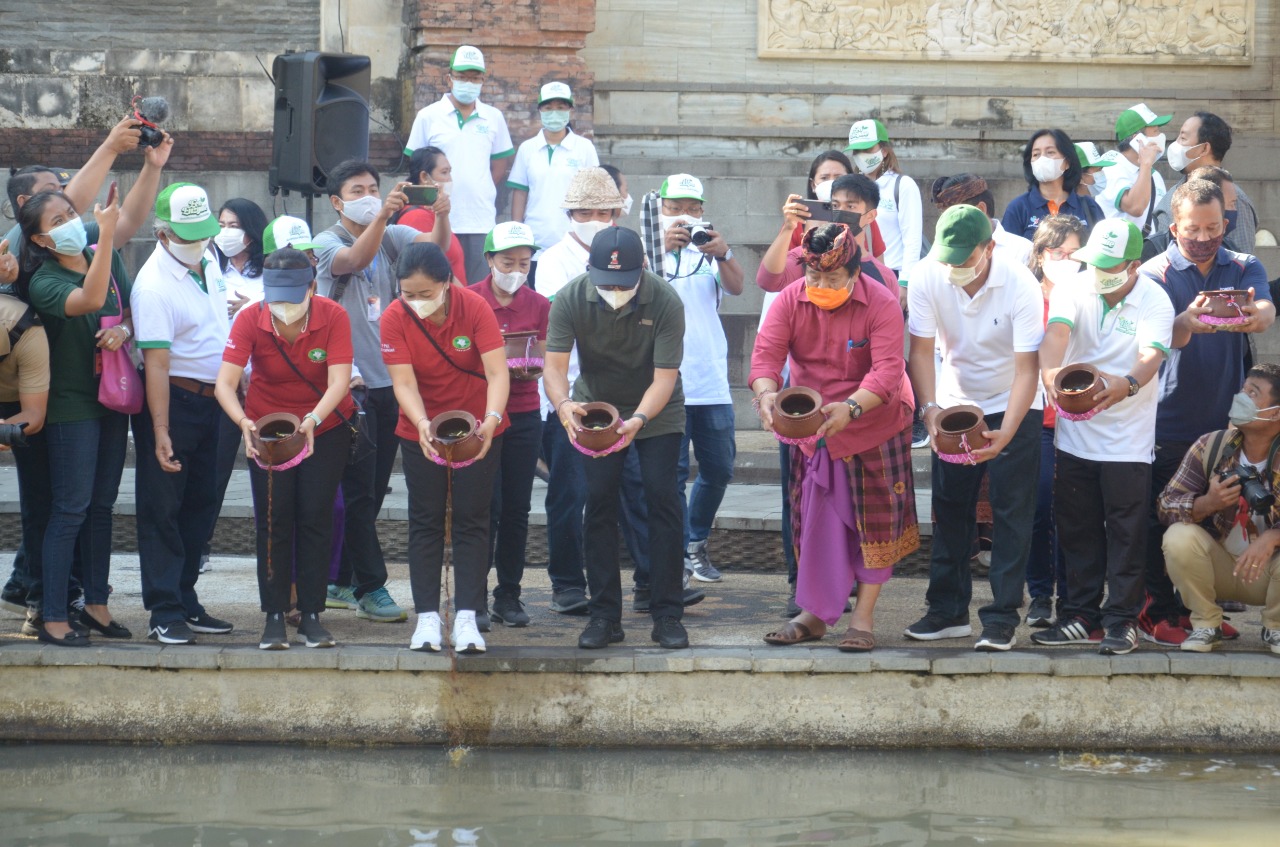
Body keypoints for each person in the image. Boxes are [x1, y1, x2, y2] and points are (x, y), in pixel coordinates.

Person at [750, 223, 917, 650]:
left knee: (874, 529)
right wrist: (766, 395)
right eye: (814, 277)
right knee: (815, 524)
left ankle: (862, 618)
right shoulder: (790, 299)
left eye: (832, 279)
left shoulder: (881, 302)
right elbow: (766, 356)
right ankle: (814, 615)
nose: (821, 286)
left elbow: (887, 371)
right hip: (812, 429)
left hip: (873, 425)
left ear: (855, 273)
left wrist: (852, 408)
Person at [1138, 178, 1274, 646]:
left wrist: (1253, 315)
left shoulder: (1243, 264)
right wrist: (1185, 322)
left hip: (1225, 426)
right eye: (1193, 229)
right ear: (1174, 227)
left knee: (1214, 519)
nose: (1203, 237)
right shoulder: (1154, 272)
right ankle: (1157, 612)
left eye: (1213, 227)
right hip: (1166, 419)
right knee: (1161, 519)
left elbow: (1265, 310)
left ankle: (1200, 611)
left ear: (1226, 223)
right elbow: (1157, 338)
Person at [544, 226, 690, 650]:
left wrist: (639, 419)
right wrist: (564, 405)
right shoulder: (571, 297)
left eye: (622, 283)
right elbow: (554, 368)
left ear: (642, 267)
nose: (613, 291)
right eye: (605, 283)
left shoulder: (665, 300)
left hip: (657, 410)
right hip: (596, 407)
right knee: (599, 502)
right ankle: (604, 615)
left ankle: (667, 612)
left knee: (663, 498)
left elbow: (665, 379)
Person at [905, 205, 1044, 651]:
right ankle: (946, 611)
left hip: (1013, 400)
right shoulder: (927, 274)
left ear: (989, 248)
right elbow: (921, 352)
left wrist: (1009, 432)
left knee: (1011, 511)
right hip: (954, 399)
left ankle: (1001, 617)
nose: (954, 267)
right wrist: (930, 410)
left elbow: (1027, 370)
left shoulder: (1020, 283)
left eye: (964, 258)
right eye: (948, 258)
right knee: (950, 507)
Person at [1033, 220, 1174, 655]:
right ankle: (1079, 616)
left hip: (1128, 440)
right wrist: (1051, 374)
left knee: (1127, 534)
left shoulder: (1155, 299)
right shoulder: (1074, 287)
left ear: (1133, 265)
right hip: (1075, 436)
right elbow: (1057, 333)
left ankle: (1122, 620)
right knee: (1078, 530)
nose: (1098, 272)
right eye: (1094, 263)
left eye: (1108, 265)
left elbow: (1151, 356)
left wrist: (1126, 385)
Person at [314, 159, 446, 625]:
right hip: (350, 386)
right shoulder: (326, 242)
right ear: (337, 201)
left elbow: (433, 253)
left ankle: (340, 580)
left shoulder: (393, 237)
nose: (369, 196)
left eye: (374, 188)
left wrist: (443, 215)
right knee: (357, 492)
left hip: (391, 381)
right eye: (358, 191)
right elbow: (353, 261)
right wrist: (384, 214)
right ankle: (371, 587)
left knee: (370, 489)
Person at [216, 248, 356, 650]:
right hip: (269, 431)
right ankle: (274, 614)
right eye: (276, 299)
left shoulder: (333, 316)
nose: (284, 308)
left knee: (315, 516)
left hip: (323, 427)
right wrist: (243, 422)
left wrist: (312, 420)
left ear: (312, 288)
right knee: (273, 520)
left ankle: (311, 613)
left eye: (293, 299)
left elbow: (339, 381)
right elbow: (225, 383)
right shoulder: (251, 318)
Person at [382, 242, 510, 653]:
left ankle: (468, 617)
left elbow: (497, 372)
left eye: (426, 293)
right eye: (408, 293)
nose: (416, 301)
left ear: (447, 282)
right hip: (421, 429)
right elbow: (403, 382)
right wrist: (422, 424)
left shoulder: (474, 307)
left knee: (473, 518)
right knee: (426, 520)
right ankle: (427, 619)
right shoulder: (394, 316)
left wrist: (491, 420)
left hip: (477, 426)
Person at [21, 189, 133, 646]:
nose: (70, 222)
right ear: (41, 240)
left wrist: (123, 329)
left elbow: (127, 312)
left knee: (102, 507)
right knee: (70, 510)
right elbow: (89, 300)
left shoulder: (105, 256)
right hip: (70, 407)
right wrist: (104, 237)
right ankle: (52, 616)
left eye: (71, 213)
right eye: (57, 221)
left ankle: (96, 604)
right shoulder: (44, 280)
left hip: (112, 399)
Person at [131, 183, 236, 645]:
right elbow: (156, 363)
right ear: (162, 234)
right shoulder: (153, 286)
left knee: (201, 504)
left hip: (217, 400)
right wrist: (160, 429)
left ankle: (186, 597)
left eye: (204, 233)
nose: (199, 242)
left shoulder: (208, 259)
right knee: (163, 507)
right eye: (188, 236)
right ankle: (164, 608)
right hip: (174, 400)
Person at [641, 173, 743, 583]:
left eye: (692, 208)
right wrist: (659, 249)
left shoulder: (709, 251)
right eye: (675, 208)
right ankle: (679, 554)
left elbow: (738, 288)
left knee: (719, 468)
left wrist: (725, 253)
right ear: (660, 210)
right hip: (666, 381)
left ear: (702, 211)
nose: (683, 216)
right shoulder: (646, 251)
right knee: (673, 473)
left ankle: (696, 541)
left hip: (711, 379)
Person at [534, 167, 624, 614]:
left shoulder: (629, 255)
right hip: (568, 393)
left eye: (602, 212)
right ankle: (567, 582)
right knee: (568, 493)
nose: (593, 219)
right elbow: (566, 323)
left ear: (615, 215)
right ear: (570, 215)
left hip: (623, 392)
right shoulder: (553, 261)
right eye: (584, 212)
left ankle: (649, 579)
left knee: (632, 492)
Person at [1158, 365, 1280, 654]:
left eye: (1253, 393)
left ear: (1275, 413)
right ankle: (1206, 624)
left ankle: (1276, 626)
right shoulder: (1211, 445)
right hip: (1220, 567)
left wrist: (1272, 537)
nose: (1241, 398)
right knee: (1178, 536)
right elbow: (1165, 505)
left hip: (1271, 572)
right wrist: (1207, 503)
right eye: (1243, 390)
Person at [467, 222, 549, 627]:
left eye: (524, 263)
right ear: (489, 260)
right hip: (480, 415)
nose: (516, 270)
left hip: (524, 412)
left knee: (517, 507)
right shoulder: (469, 300)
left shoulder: (539, 304)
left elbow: (547, 357)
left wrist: (529, 365)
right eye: (507, 262)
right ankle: (474, 596)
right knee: (484, 506)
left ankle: (509, 595)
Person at [1023, 214, 1088, 626]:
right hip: (1036, 418)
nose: (1065, 260)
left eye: (1074, 254)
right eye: (1057, 252)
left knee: (1076, 511)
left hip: (1081, 418)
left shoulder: (1089, 294)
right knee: (1040, 506)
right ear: (1040, 254)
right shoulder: (1026, 296)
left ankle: (1072, 599)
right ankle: (1040, 595)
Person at [403, 45, 514, 284]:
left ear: (483, 80)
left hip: (479, 218)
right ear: (449, 79)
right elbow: (416, 166)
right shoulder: (428, 116)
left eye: (475, 78)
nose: (468, 83)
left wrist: (477, 186)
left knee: (477, 290)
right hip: (436, 219)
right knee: (437, 285)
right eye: (462, 77)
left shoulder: (493, 117)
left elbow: (499, 166)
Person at [507, 81, 599, 286]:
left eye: (560, 107)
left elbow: (594, 194)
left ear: (570, 110)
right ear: (540, 110)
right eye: (548, 108)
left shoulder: (584, 148)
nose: (554, 113)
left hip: (574, 240)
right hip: (535, 241)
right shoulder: (528, 149)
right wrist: (517, 234)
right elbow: (520, 193)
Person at [0, 288, 49, 627]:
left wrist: (5, 431)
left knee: (41, 499)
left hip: (25, 399)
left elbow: (35, 414)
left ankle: (35, 595)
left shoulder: (26, 327)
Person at [1151, 111, 1258, 252]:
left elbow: (1242, 254)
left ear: (1204, 148)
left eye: (1183, 138)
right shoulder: (1174, 192)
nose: (1176, 144)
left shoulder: (1233, 198)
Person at [844, 119, 922, 279]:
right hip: (856, 272)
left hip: (893, 273)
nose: (861, 155)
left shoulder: (903, 185)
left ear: (885, 151)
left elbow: (912, 239)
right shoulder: (850, 187)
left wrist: (905, 281)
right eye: (857, 151)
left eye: (867, 149)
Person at [1001, 129, 1105, 240]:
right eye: (1036, 154)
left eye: (1050, 152)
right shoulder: (1019, 208)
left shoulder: (1088, 207)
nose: (1042, 159)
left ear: (1067, 162)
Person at [397, 145, 467, 285]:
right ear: (424, 177)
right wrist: (464, 296)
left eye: (449, 172)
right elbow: (427, 270)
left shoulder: (435, 214)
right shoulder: (416, 217)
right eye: (444, 172)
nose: (449, 179)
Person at [1099, 103, 1170, 235]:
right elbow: (1135, 207)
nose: (1160, 136)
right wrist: (1146, 164)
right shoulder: (1111, 169)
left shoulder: (1155, 175)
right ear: (1137, 139)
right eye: (1155, 131)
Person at [931, 173, 1032, 266]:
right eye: (945, 217)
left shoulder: (1022, 251)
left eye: (955, 217)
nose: (949, 224)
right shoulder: (939, 253)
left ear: (980, 209)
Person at [214, 198, 268, 314]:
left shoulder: (269, 267)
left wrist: (253, 307)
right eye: (221, 226)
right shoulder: (211, 265)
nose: (225, 232)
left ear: (251, 229)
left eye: (233, 226)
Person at [1072, 142, 1116, 223]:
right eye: (1098, 170)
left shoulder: (1091, 205)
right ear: (1080, 176)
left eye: (1101, 169)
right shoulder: (1067, 210)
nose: (1102, 173)